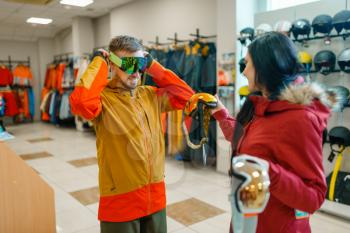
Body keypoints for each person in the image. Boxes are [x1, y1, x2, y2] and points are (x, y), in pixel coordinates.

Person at [210, 32, 336, 232]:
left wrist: (269, 173)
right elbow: (251, 145)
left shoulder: (300, 118)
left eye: (247, 64)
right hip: (250, 220)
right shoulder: (264, 106)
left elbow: (313, 197)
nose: (244, 73)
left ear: (264, 66)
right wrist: (222, 115)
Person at [69, 35, 194, 233]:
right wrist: (99, 63)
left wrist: (153, 66)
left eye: (140, 63)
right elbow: (81, 103)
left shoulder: (150, 95)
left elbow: (187, 96)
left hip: (155, 199)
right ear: (112, 64)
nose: (135, 71)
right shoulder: (103, 100)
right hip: (120, 204)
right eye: (128, 64)